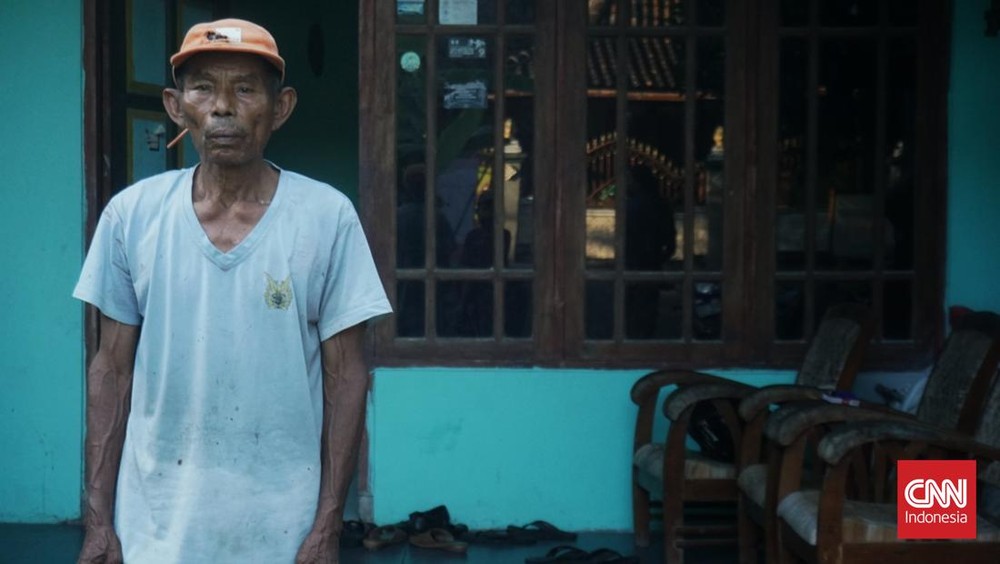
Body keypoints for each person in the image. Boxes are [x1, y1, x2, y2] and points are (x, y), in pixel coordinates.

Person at [73, 19, 392, 564]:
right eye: (203, 88)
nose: (223, 107)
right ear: (176, 106)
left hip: (283, 525)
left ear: (281, 106)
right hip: (157, 523)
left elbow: (347, 376)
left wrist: (327, 527)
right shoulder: (132, 215)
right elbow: (111, 372)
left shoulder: (325, 216)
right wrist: (99, 521)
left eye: (245, 89)